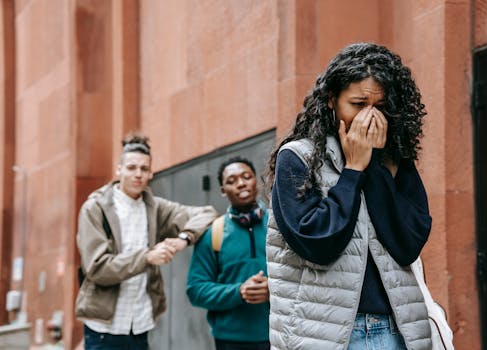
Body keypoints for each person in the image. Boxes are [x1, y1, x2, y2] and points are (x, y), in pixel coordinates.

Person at [263, 43, 433, 350]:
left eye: (380, 107)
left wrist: (376, 166)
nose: (369, 117)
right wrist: (353, 170)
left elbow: (408, 245)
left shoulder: (396, 160)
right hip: (325, 336)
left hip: (395, 329)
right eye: (358, 104)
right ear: (332, 100)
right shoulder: (299, 158)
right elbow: (318, 244)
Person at [75, 132, 218, 350]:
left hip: (140, 324)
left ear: (151, 173)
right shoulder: (95, 209)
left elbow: (207, 213)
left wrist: (182, 239)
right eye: (131, 168)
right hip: (104, 329)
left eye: (144, 169)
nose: (138, 174)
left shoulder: (155, 207)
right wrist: (148, 257)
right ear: (119, 170)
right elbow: (97, 268)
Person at [186, 156, 270, 350]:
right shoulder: (213, 233)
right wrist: (238, 291)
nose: (241, 184)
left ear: (256, 180)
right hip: (230, 341)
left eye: (246, 176)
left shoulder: (278, 227)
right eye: (231, 181)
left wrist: (273, 290)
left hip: (278, 334)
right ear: (223, 191)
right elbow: (196, 290)